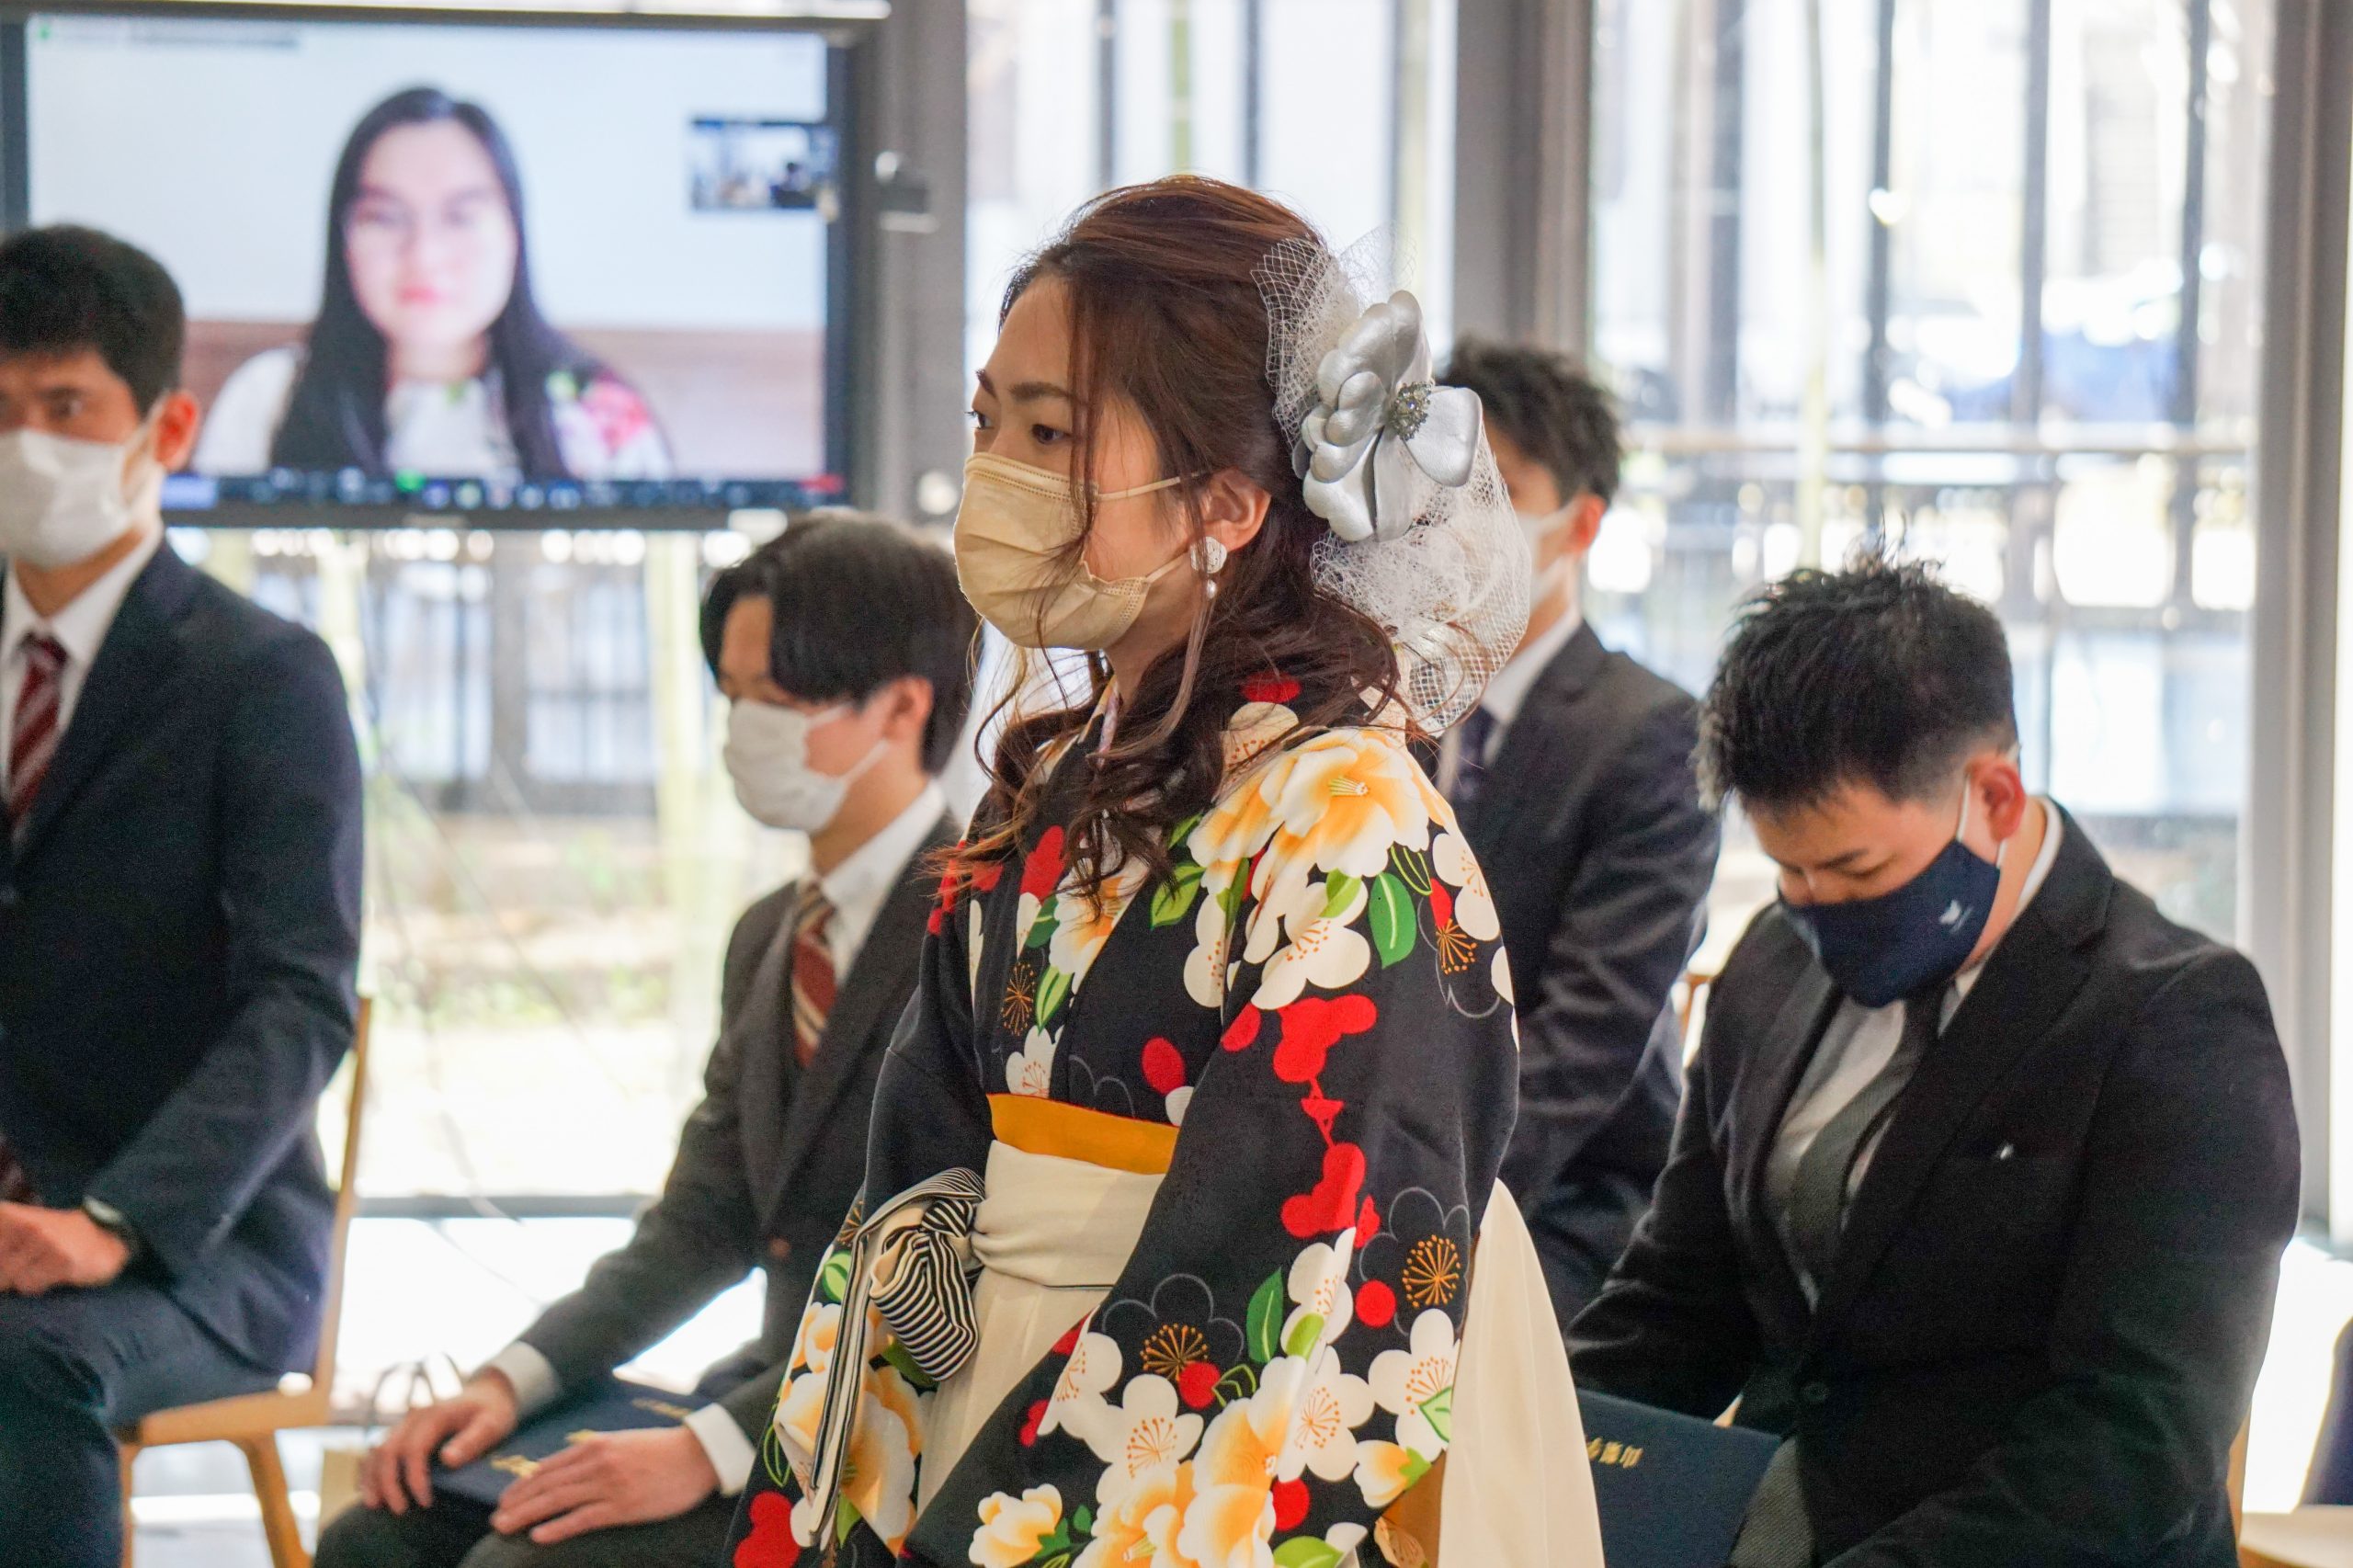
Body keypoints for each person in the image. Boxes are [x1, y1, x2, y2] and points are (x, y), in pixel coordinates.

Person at [721, 176, 1602, 1568]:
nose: (996, 467)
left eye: (1051, 429)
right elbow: (923, 1178)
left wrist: (990, 1535)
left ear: (1231, 500)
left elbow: (1286, 1270)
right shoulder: (1048, 792)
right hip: (994, 1398)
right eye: (988, 418)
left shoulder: (1353, 820)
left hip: (1176, 1449)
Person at [1570, 559, 2300, 1566]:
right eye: (1789, 869)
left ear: (1993, 797)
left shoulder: (2173, 1020)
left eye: (1860, 869)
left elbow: (2135, 1441)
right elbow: (1680, 1301)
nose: (1819, 903)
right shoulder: (1774, 964)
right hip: (1758, 1521)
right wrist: (1505, 1456)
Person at [316, 517, 974, 1567]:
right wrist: (511, 1379)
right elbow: (704, 1219)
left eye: (778, 698)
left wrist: (708, 1449)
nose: (740, 727)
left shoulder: (980, 927)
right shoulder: (771, 935)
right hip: (753, 1415)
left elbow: (960, 1268)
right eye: (732, 693)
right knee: (376, 1538)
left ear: (902, 703)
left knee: (520, 1565)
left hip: (879, 1447)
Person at [0, 225, 364, 1568]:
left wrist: (111, 1221)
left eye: (64, 407)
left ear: (166, 423)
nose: (25, 444)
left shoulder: (260, 679)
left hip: (188, 1246)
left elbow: (301, 996)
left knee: (27, 1364)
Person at [1433, 339, 1719, 1324]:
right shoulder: (1384, 710)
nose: (1458, 524)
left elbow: (1589, 1037)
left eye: (1497, 492)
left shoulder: (1648, 733)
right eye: (1442, 488)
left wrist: (1423, 1204)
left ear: (1579, 523)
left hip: (1561, 1200)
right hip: (1372, 1176)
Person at [196, 86, 669, 483]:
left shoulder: (600, 413)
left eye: (460, 217)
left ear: (514, 233)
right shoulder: (268, 398)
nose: (424, 254)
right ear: (343, 237)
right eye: (385, 217)